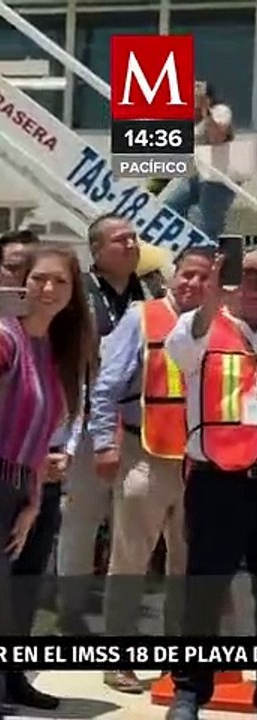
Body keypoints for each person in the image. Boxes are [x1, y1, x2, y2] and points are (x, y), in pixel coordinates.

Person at [0, 241, 96, 717]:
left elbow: (39, 434)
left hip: (10, 492)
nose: (48, 288)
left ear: (73, 293)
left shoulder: (56, 349)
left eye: (60, 281)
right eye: (39, 278)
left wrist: (30, 502)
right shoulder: (0, 333)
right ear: (20, 282)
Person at [88, 248, 210, 694]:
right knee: (129, 561)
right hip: (146, 454)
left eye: (203, 277)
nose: (193, 283)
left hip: (202, 463)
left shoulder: (223, 325)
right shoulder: (142, 317)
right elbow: (106, 387)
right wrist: (103, 443)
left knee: (188, 564)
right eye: (187, 274)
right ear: (172, 275)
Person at [162, 249, 257, 720]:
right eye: (250, 275)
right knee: (204, 590)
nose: (256, 285)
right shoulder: (201, 327)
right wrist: (213, 294)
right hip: (218, 481)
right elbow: (182, 348)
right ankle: (188, 691)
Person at [57, 213, 155, 636]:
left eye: (134, 238)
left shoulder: (149, 293)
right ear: (96, 251)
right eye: (120, 240)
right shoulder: (78, 294)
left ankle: (122, 610)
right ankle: (70, 609)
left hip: (139, 425)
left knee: (129, 521)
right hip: (87, 419)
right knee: (82, 515)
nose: (131, 244)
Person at [161, 80, 240, 241]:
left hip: (217, 174)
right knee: (169, 207)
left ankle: (207, 255)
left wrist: (206, 110)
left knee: (207, 222)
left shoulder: (220, 111)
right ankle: (179, 245)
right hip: (195, 171)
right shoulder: (191, 117)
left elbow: (217, 137)